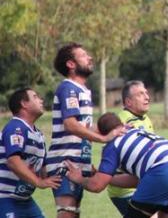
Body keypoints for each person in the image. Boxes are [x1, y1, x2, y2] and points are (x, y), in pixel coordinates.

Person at [45, 42, 125, 218]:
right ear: (71, 64)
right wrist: (104, 139)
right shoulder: (68, 88)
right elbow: (71, 125)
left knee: (74, 213)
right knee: (67, 212)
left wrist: (119, 129)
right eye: (83, 55)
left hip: (79, 163)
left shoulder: (83, 91)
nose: (90, 58)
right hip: (65, 163)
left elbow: (84, 128)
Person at [65, 112, 168, 218]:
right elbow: (138, 181)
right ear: (120, 124)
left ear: (99, 133)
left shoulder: (112, 145)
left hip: (163, 170)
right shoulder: (134, 131)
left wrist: (79, 178)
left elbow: (97, 186)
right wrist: (103, 176)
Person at [0, 88, 62, 217]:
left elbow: (44, 169)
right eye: (35, 97)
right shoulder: (16, 127)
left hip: (24, 200)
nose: (41, 100)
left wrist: (68, 172)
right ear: (24, 104)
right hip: (4, 199)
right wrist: (39, 182)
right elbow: (13, 161)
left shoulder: (38, 134)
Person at [107, 80, 154, 216]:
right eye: (140, 94)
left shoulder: (145, 119)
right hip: (125, 189)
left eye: (146, 92)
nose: (147, 97)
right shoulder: (121, 122)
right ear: (128, 102)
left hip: (141, 185)